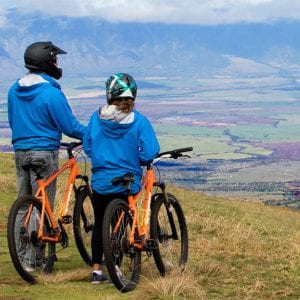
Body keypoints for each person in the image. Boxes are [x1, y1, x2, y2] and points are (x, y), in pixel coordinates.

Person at [7, 41, 86, 270]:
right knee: (42, 206)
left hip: (21, 152)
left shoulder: (14, 89)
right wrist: (92, 133)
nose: (57, 64)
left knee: (24, 205)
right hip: (44, 153)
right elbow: (69, 126)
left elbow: (13, 121)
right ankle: (34, 262)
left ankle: (23, 258)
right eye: (55, 59)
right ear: (47, 62)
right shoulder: (51, 93)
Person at [84, 72, 160, 284]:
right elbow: (148, 153)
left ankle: (97, 271)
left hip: (101, 180)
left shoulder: (96, 117)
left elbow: (88, 146)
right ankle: (118, 264)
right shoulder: (140, 121)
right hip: (128, 180)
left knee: (100, 223)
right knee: (124, 221)